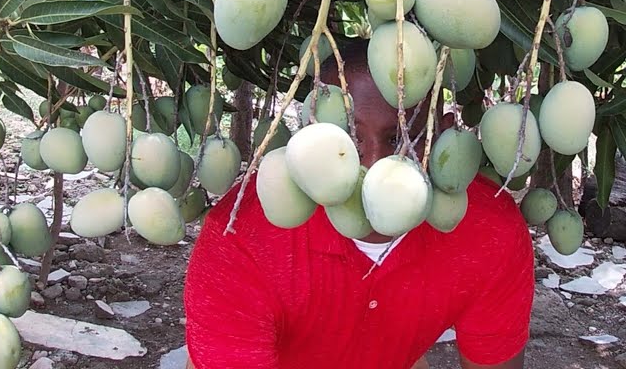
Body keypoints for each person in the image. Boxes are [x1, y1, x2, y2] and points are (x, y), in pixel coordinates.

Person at [183, 40, 534, 369]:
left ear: (439, 135)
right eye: (350, 137)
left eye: (398, 137)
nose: (374, 165)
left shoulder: (488, 229)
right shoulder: (242, 236)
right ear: (314, 133)